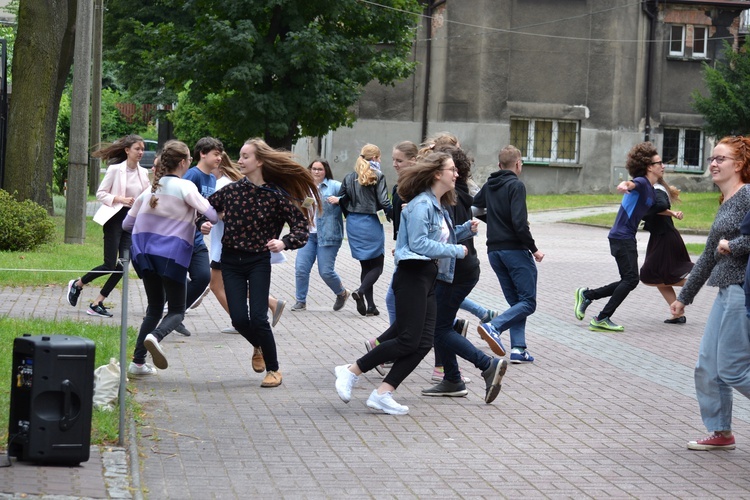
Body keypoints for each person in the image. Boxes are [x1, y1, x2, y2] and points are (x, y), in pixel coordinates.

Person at [334, 151, 472, 415]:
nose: (456, 174)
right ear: (436, 173)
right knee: (408, 339)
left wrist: (465, 230)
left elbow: (436, 238)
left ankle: (383, 393)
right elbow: (419, 243)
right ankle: (351, 370)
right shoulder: (422, 204)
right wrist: (456, 251)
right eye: (452, 169)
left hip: (428, 276)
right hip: (412, 275)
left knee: (423, 342)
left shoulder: (437, 203)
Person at [200, 138, 319, 388]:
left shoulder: (276, 195)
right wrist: (204, 222)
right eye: (240, 156)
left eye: (245, 156)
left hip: (258, 262)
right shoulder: (232, 191)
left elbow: (301, 228)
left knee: (258, 318)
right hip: (230, 260)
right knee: (239, 320)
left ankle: (274, 369)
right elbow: (204, 209)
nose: (239, 161)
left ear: (260, 161)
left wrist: (284, 242)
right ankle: (258, 345)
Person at [670, 136, 750, 451]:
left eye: (721, 158)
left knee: (732, 367)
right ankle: (721, 432)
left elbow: (734, 246)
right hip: (725, 291)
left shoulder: (748, 195)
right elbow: (707, 257)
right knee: (707, 365)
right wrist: (683, 298)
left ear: (740, 164)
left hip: (741, 290)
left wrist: (733, 245)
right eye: (711, 159)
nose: (713, 164)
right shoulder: (727, 202)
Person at [122, 140, 218, 376]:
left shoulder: (150, 190)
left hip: (144, 256)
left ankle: (137, 363)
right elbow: (212, 215)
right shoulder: (185, 187)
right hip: (172, 256)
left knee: (154, 307)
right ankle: (156, 337)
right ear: (184, 162)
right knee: (176, 311)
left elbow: (126, 224)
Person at [421, 144, 508, 401]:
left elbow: (445, 237)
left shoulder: (450, 198)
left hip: (456, 270)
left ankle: (486, 365)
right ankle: (452, 379)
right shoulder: (458, 195)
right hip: (462, 269)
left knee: (440, 328)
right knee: (441, 325)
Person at [574, 142, 659, 332]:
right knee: (630, 280)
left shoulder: (651, 191)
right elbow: (632, 184)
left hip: (625, 237)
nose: (663, 165)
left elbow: (649, 208)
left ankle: (588, 295)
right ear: (649, 167)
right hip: (621, 237)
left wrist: (672, 213)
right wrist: (624, 184)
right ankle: (601, 318)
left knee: (628, 280)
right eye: (659, 162)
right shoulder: (643, 182)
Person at [473, 145, 544, 362]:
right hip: (515, 250)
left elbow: (476, 206)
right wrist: (534, 249)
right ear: (518, 164)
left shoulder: (490, 184)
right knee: (528, 302)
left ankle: (518, 349)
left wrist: (494, 221)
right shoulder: (516, 186)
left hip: (494, 251)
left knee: (517, 304)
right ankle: (493, 327)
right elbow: (519, 224)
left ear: (498, 165)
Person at [66, 134, 149, 318]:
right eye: (137, 149)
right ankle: (78, 284)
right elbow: (100, 194)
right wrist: (120, 199)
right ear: (127, 150)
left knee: (122, 265)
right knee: (109, 264)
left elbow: (146, 196)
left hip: (131, 221)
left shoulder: (143, 173)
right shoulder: (115, 170)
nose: (141, 152)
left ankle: (97, 302)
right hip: (114, 219)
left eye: (142, 149)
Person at [205, 153, 286, 334]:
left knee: (217, 286)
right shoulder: (226, 183)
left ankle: (242, 322)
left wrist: (216, 216)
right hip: (227, 245)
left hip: (227, 246)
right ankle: (266, 306)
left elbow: (223, 212)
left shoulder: (223, 184)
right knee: (229, 285)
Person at [331, 144, 393, 316]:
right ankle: (361, 291)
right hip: (371, 222)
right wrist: (394, 215)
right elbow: (384, 201)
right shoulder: (378, 176)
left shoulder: (350, 177)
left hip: (353, 223)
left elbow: (342, 198)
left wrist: (348, 213)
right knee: (378, 266)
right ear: (373, 158)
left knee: (366, 265)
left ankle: (371, 306)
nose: (380, 161)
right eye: (379, 158)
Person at [173, 137, 223, 336]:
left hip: (197, 239)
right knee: (174, 279)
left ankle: (176, 314)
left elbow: (205, 208)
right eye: (216, 154)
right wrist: (200, 222)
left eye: (220, 154)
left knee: (203, 277)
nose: (219, 158)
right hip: (181, 238)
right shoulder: (192, 176)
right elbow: (181, 205)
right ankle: (172, 315)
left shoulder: (212, 178)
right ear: (203, 153)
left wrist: (216, 216)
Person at [291, 159, 350, 312]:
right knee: (301, 268)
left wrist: (339, 200)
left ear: (326, 171)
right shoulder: (304, 187)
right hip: (308, 234)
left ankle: (342, 293)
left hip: (328, 235)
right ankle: (300, 301)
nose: (316, 172)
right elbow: (297, 206)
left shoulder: (335, 186)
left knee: (325, 271)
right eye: (314, 169)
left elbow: (350, 200)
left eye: (320, 169)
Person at [639, 175, 693, 324]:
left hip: (665, 238)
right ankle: (677, 314)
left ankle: (693, 283)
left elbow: (660, 206)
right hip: (661, 237)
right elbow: (657, 209)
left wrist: (671, 213)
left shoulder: (657, 190)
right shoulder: (655, 189)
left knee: (650, 274)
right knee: (660, 278)